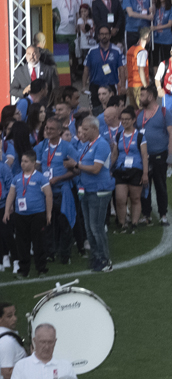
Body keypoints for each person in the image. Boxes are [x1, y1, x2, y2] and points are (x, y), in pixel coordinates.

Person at [67, 117, 114, 273]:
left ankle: (105, 259)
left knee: (96, 227)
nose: (82, 133)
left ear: (95, 129)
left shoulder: (101, 145)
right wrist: (71, 167)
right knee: (88, 227)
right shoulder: (86, 146)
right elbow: (82, 168)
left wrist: (76, 165)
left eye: (86, 130)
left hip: (99, 190)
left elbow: (95, 169)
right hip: (86, 190)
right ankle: (96, 257)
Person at [34, 118, 79, 266]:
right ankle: (50, 253)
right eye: (46, 128)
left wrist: (59, 178)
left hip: (63, 190)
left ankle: (65, 255)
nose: (48, 131)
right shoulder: (42, 146)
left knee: (64, 223)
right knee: (48, 224)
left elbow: (77, 170)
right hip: (46, 193)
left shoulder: (67, 147)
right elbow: (37, 167)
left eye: (51, 129)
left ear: (59, 131)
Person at [5, 150, 53, 277]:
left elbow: (48, 195)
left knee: (38, 242)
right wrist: (7, 211)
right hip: (20, 215)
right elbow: (11, 194)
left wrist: (48, 213)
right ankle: (24, 269)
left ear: (33, 163)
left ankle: (41, 268)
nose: (22, 164)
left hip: (37, 214)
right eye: (22, 161)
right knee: (22, 243)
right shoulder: (17, 178)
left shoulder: (40, 178)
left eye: (26, 161)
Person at [136, 84, 172, 226]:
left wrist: (171, 154)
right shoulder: (138, 114)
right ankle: (146, 215)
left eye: (142, 95)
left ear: (151, 96)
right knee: (144, 186)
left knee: (160, 185)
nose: (140, 98)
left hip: (160, 154)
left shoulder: (165, 112)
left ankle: (163, 214)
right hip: (143, 157)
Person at [110, 107, 148, 234]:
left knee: (135, 198)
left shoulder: (140, 136)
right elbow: (115, 154)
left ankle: (134, 224)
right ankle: (122, 224)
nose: (124, 122)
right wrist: (110, 168)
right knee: (120, 199)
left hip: (135, 170)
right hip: (120, 169)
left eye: (127, 119)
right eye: (123, 119)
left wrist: (145, 173)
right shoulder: (119, 136)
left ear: (133, 120)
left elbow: (144, 156)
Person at [82, 26, 124, 111]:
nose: (104, 36)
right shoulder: (92, 51)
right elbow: (86, 69)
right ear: (98, 36)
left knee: (111, 110)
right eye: (102, 34)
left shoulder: (117, 51)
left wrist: (123, 86)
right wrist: (83, 86)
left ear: (110, 36)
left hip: (111, 86)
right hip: (95, 86)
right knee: (96, 111)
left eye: (106, 34)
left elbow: (122, 69)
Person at [124, 27, 151, 106]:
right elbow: (141, 70)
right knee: (141, 110)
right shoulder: (142, 52)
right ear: (147, 37)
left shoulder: (130, 49)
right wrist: (146, 86)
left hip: (130, 84)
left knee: (135, 110)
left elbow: (127, 68)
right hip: (139, 85)